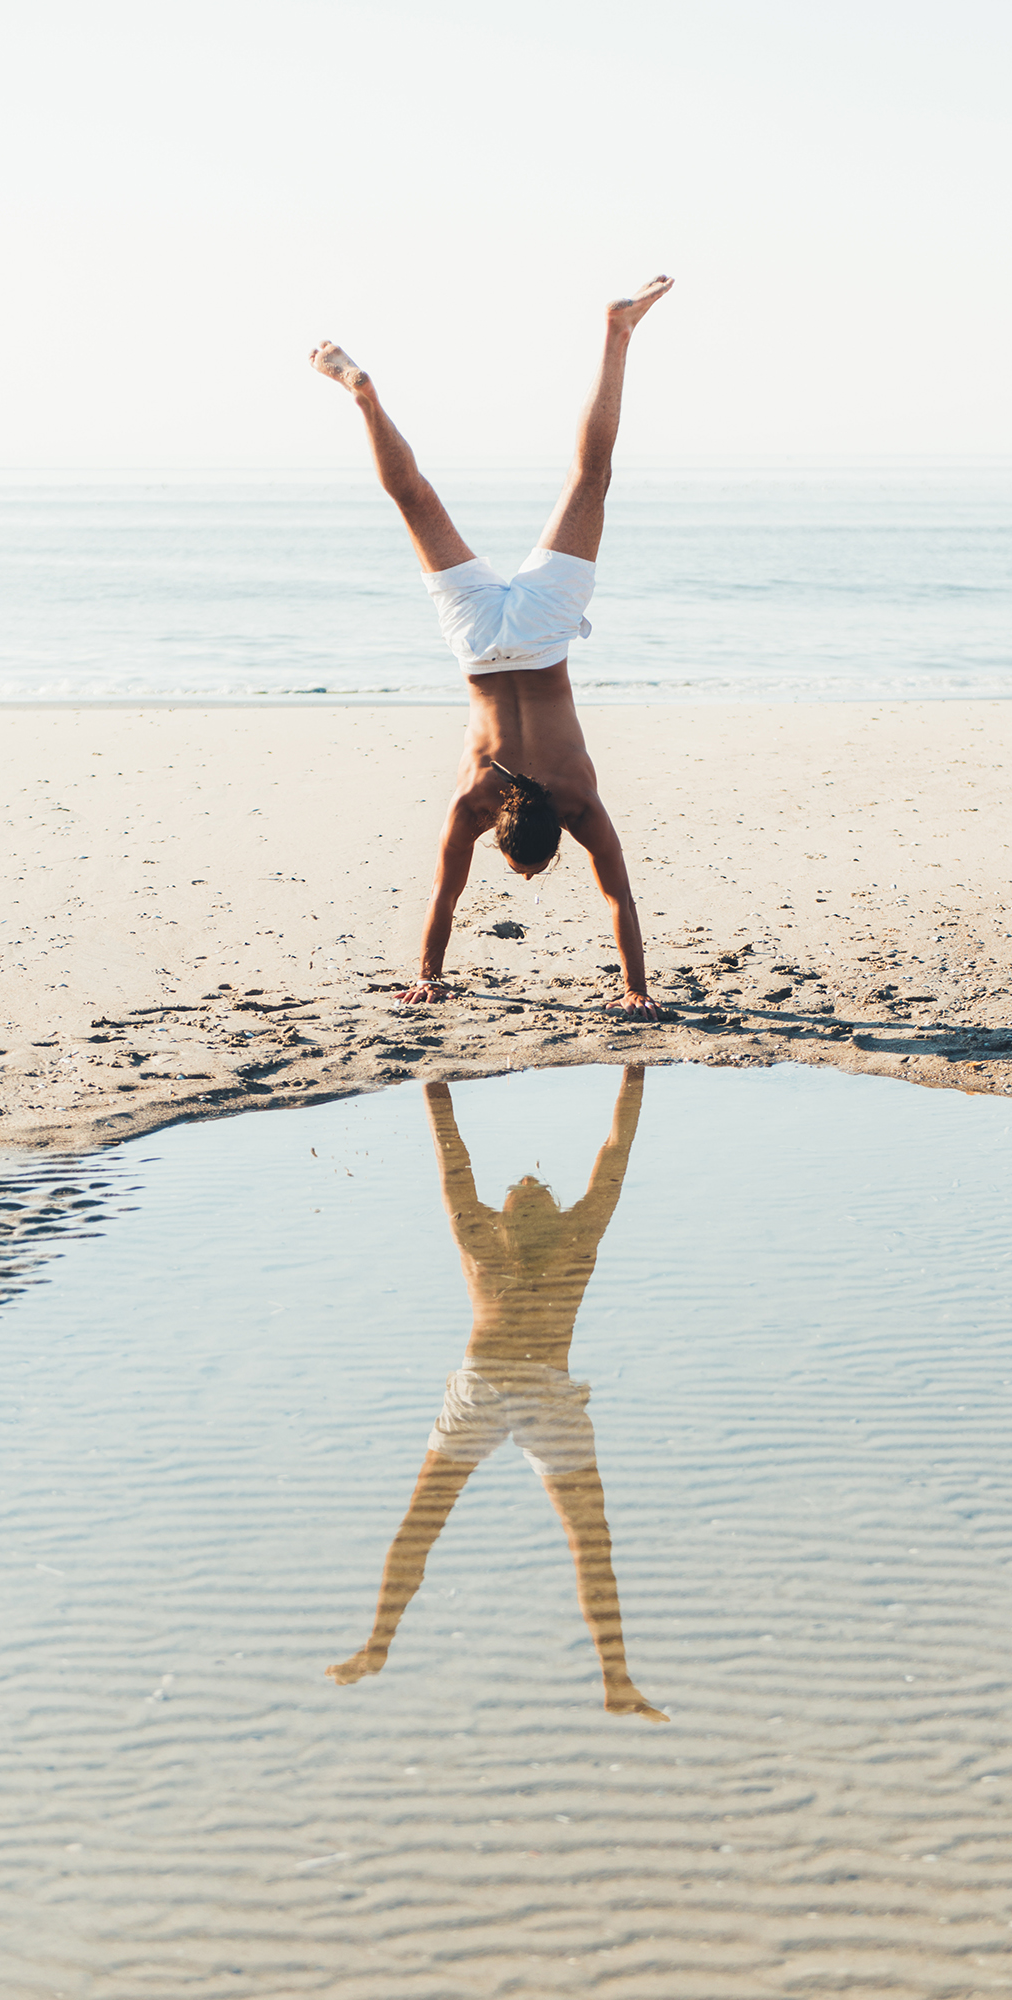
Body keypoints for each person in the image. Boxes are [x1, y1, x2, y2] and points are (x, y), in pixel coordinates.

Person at [310, 277, 674, 1018]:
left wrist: (638, 988)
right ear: (504, 830)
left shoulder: (575, 798)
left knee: (591, 479)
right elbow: (445, 896)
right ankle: (364, 399)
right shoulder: (476, 799)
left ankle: (617, 333)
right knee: (415, 501)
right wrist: (428, 973)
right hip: (478, 645)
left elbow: (618, 895)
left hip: (541, 632)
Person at [326, 1068, 667, 1722]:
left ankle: (380, 1648)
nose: (529, 1183)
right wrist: (633, 1071)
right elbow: (612, 1154)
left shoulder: (486, 1238)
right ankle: (613, 1681)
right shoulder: (576, 1239)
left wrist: (436, 1080)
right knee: (573, 1541)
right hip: (531, 1393)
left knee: (442, 1529)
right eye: (525, 1186)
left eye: (526, 1186)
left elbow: (455, 1155)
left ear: (506, 1212)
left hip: (494, 1389)